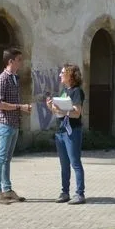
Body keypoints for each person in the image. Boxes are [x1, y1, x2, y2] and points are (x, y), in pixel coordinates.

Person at [0, 47, 32, 204]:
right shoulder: (2, 79)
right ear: (11, 61)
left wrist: (22, 108)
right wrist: (20, 107)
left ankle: (7, 189)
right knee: (1, 157)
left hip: (14, 123)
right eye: (19, 60)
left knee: (7, 158)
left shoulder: (15, 78)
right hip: (4, 123)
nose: (21, 63)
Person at [46, 63, 86, 204]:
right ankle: (65, 192)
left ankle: (80, 194)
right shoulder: (64, 91)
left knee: (75, 162)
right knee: (64, 164)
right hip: (60, 132)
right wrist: (51, 106)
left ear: (70, 75)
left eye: (63, 73)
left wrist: (61, 110)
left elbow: (76, 113)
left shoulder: (76, 91)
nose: (60, 75)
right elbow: (59, 113)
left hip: (72, 131)